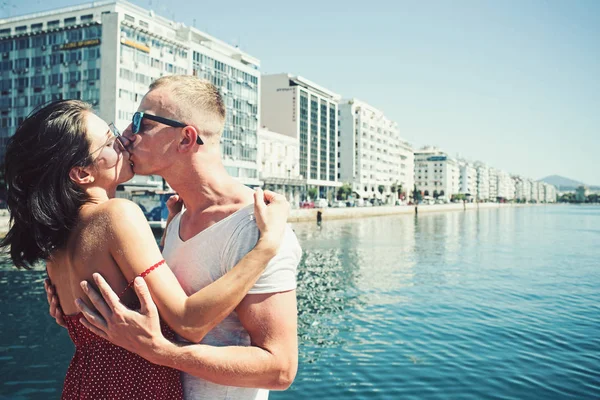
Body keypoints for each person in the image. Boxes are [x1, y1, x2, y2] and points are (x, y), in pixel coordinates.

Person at [2, 99, 290, 399]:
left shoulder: (57, 249)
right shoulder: (116, 214)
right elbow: (189, 322)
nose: (124, 142)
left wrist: (167, 240)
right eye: (110, 142)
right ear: (82, 173)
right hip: (135, 387)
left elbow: (119, 301)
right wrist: (265, 248)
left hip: (85, 385)